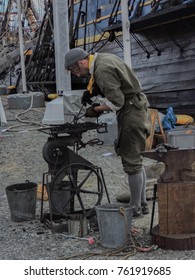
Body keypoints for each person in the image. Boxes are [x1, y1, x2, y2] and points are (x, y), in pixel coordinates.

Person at [64, 47, 151, 218]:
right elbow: (119, 82)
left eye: (75, 70)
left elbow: (117, 102)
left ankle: (134, 207)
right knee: (136, 159)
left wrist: (96, 110)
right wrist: (93, 91)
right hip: (136, 107)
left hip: (131, 113)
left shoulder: (102, 69)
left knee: (132, 162)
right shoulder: (103, 58)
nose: (77, 75)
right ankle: (142, 203)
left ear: (81, 62)